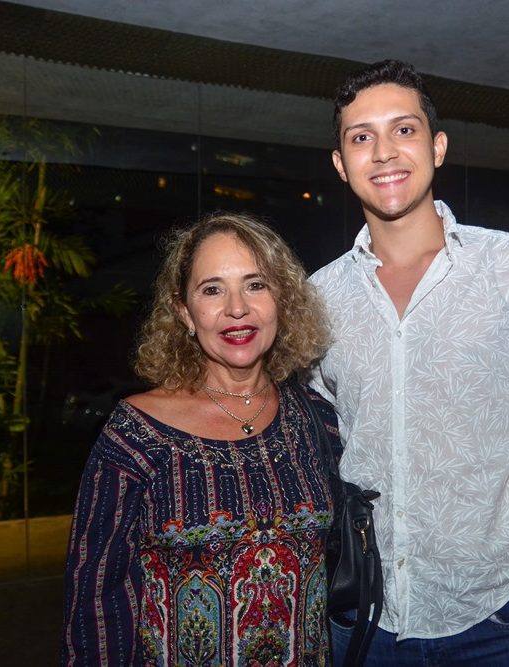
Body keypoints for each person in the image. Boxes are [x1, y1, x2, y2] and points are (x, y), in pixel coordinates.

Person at [308, 60, 509, 666]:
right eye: (361, 137)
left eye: (404, 130)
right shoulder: (318, 297)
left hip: (498, 615)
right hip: (367, 619)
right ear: (340, 164)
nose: (383, 152)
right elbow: (318, 436)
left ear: (437, 147)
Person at [62, 211, 340, 666]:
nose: (237, 308)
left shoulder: (317, 419)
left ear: (282, 301)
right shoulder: (136, 434)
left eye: (256, 284)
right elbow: (95, 601)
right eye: (212, 289)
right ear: (184, 312)